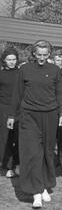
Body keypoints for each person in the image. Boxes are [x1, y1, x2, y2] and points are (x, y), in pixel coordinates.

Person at [7, 40, 62, 209]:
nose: (41, 58)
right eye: (38, 55)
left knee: (47, 152)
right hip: (29, 116)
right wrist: (12, 115)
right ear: (33, 54)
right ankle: (36, 192)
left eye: (45, 55)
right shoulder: (24, 69)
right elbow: (17, 93)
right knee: (32, 152)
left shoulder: (55, 70)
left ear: (49, 55)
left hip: (50, 116)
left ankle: (44, 184)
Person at [0, 47, 20, 178]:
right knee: (5, 137)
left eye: (14, 59)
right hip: (4, 108)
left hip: (20, 109)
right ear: (4, 60)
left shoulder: (21, 73)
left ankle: (18, 165)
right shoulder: (1, 74)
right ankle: (6, 165)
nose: (12, 62)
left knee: (19, 138)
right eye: (9, 59)